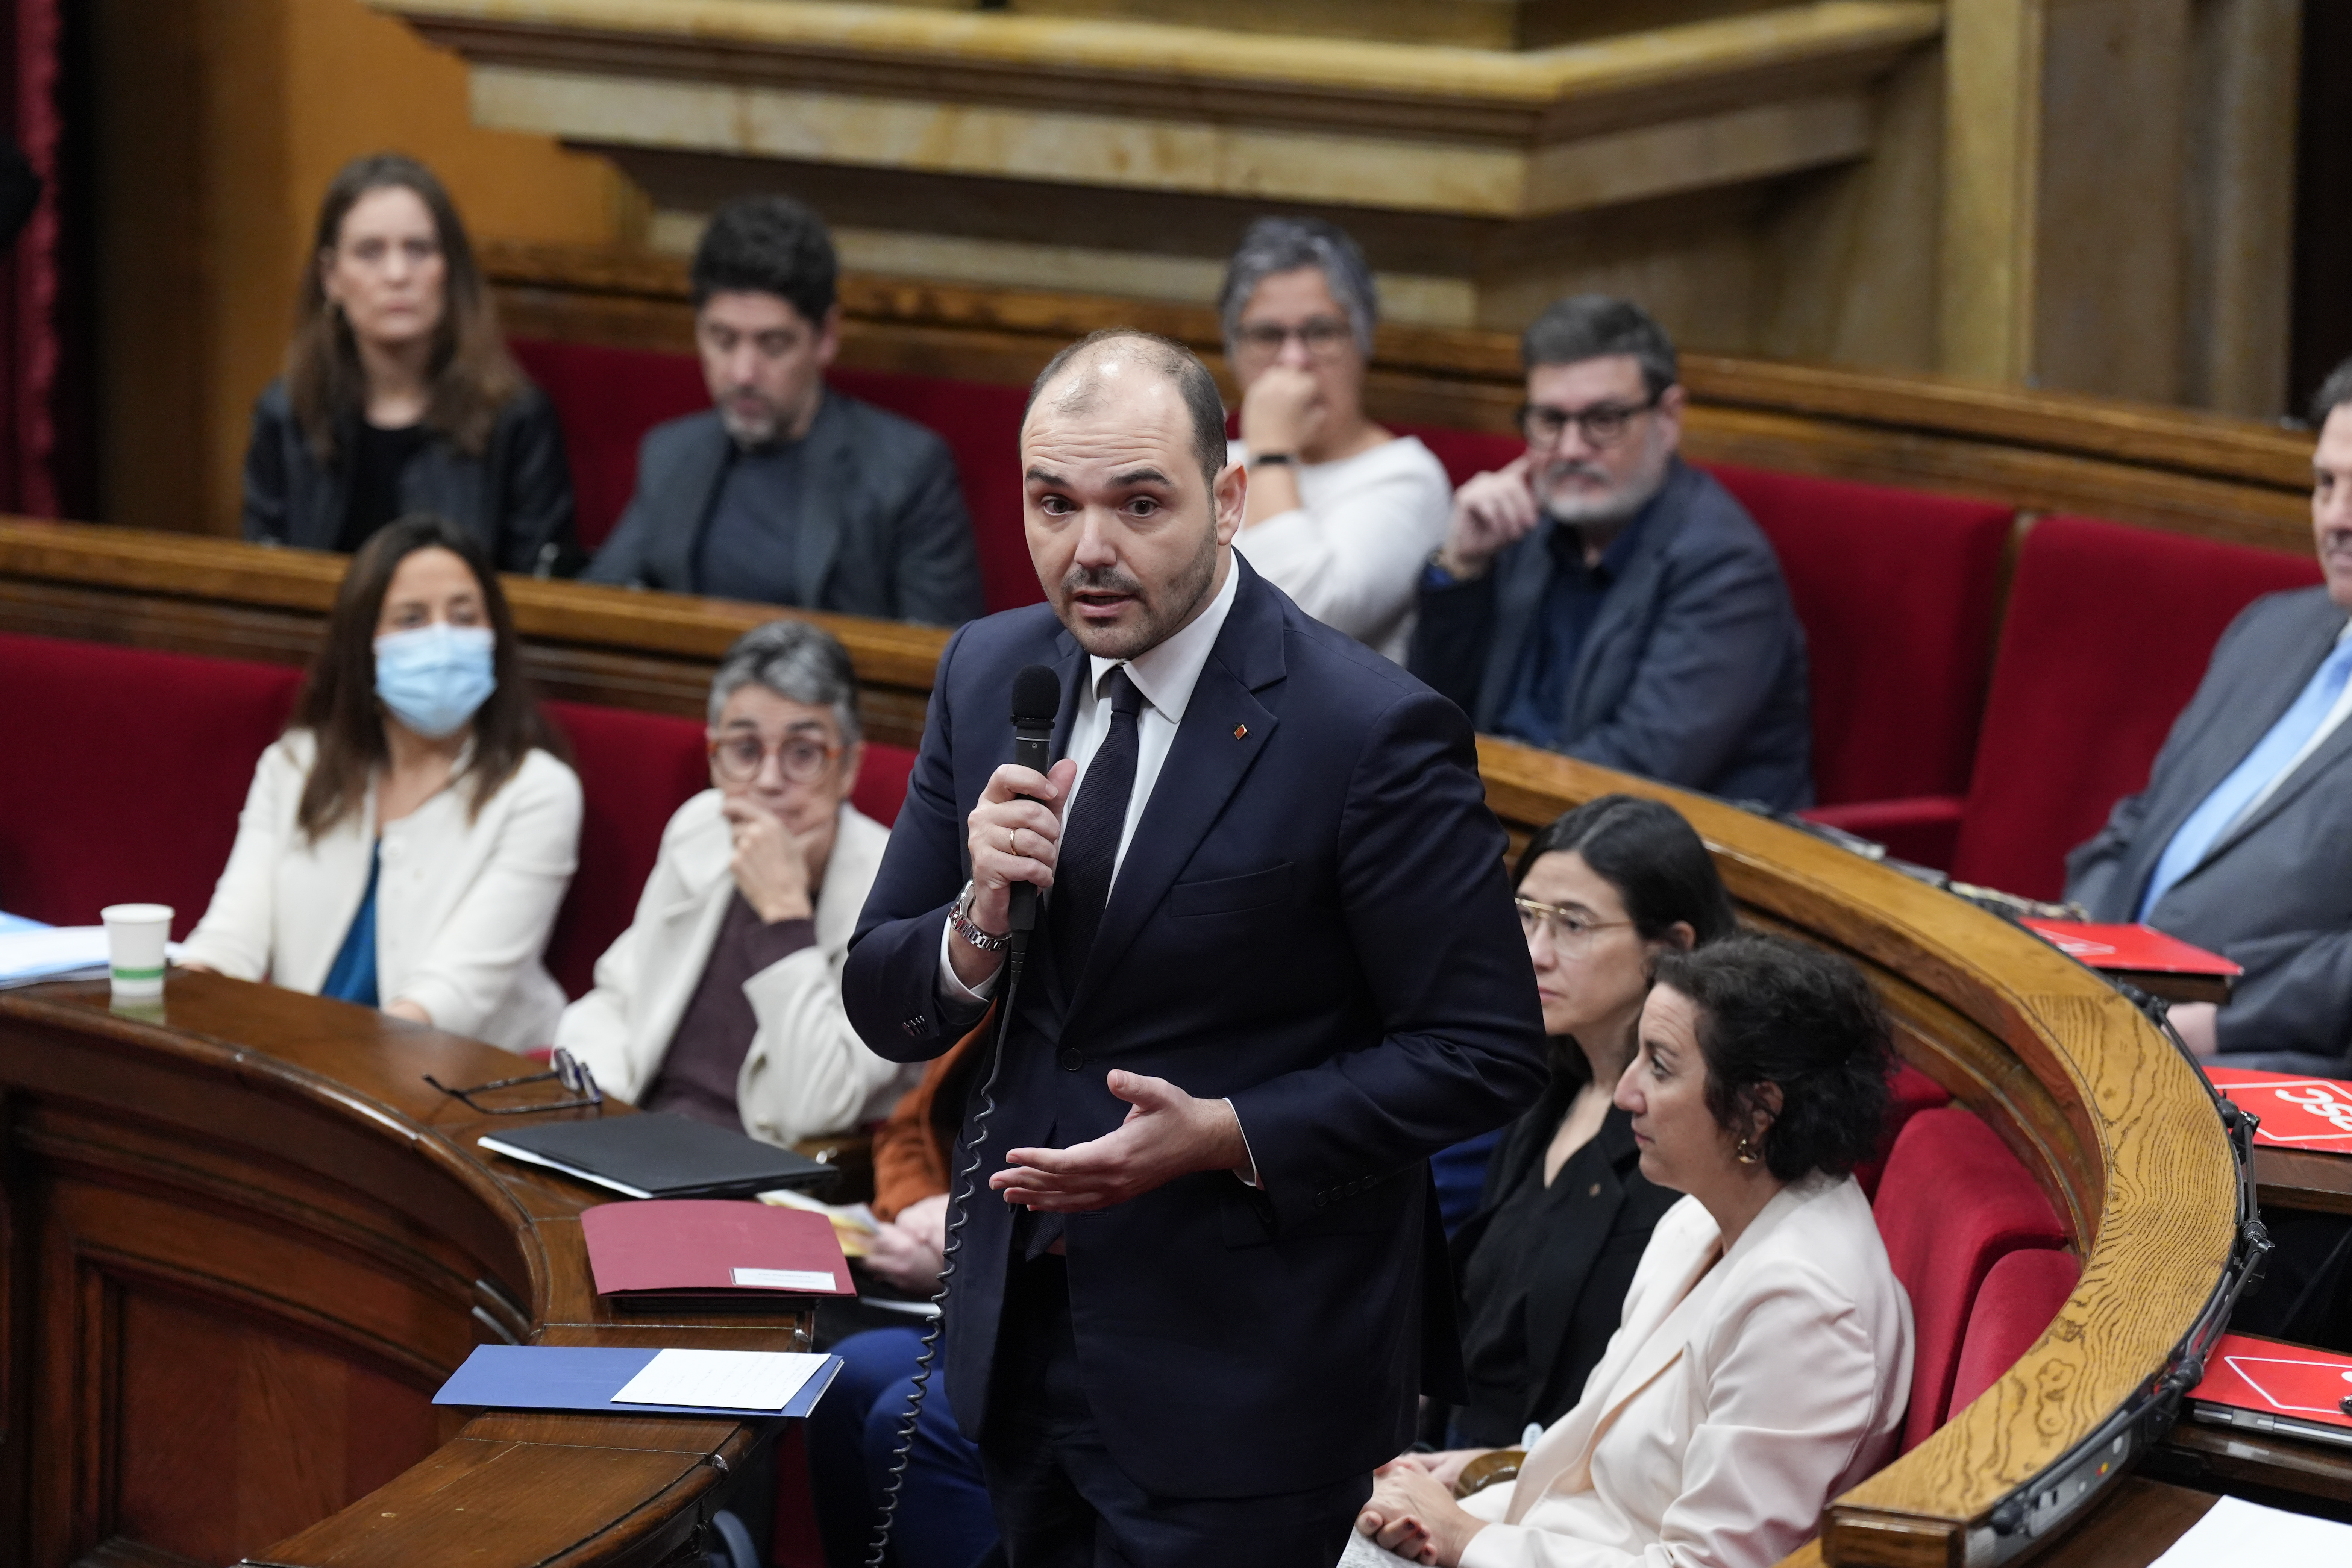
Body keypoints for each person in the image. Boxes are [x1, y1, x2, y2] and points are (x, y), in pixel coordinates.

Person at [842, 328, 1548, 1566]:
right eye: (1050, 504)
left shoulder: (1365, 730)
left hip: (1251, 1377)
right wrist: (972, 925)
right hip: (1020, 1342)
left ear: (1228, 501)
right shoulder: (989, 673)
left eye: (1138, 503)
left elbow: (1482, 1050)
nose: (1087, 549)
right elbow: (882, 1001)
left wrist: (1228, 1133)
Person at [1356, 934, 1912, 1568]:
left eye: (1661, 1065)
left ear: (1759, 1111)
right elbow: (1598, 1473)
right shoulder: (1696, 1222)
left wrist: (1464, 1537)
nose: (1625, 1094)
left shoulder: (1808, 1310)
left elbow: (1704, 1565)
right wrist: (1452, 1485)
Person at [181, 516, 582, 1050]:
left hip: (460, 1079)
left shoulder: (537, 790)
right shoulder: (297, 765)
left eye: (464, 617)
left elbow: (452, 993)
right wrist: (178, 1001)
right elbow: (232, 938)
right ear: (363, 644)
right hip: (310, 1067)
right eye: (411, 619)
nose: (442, 639)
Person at [1407, 296, 1811, 811]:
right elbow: (1427, 718)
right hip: (1502, 821)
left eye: (1603, 420)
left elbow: (1640, 770)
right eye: (1550, 420)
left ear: (1668, 418)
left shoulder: (1725, 567)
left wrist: (1461, 795)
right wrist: (1462, 567)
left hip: (1660, 861)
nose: (1571, 449)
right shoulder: (1522, 527)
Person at [2065, 356, 2352, 1074]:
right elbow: (2143, 821)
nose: (2338, 520)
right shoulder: (2271, 629)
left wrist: (2213, 1026)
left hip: (2259, 1057)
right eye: (2325, 485)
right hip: (2113, 1008)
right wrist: (2075, 941)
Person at [1436, 795, 1739, 1455]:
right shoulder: (1545, 1089)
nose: (1535, 953)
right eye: (1526, 916)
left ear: (1673, 950)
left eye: (1573, 926)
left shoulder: (1688, 1147)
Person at [554, 619, 912, 1145]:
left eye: (802, 753)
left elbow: (816, 1106)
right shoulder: (702, 828)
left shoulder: (896, 885)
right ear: (715, 759)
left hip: (761, 1178)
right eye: (745, 750)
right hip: (639, 1140)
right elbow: (615, 998)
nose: (768, 781)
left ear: (849, 769)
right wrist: (609, 1122)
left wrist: (785, 912)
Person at [586, 196, 986, 625]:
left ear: (826, 336)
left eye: (773, 344)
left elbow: (945, 660)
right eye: (722, 340)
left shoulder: (907, 470)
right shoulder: (672, 453)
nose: (743, 373)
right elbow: (594, 610)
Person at [243, 153, 579, 577]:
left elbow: (539, 588)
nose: (398, 274)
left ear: (449, 269)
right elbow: (265, 578)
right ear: (331, 277)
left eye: (419, 250)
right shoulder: (287, 415)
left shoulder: (517, 420)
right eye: (370, 253)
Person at [807, 1027, 1002, 1568]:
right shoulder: (996, 980)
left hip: (1047, 1301)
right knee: (846, 1374)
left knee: (908, 1414)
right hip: (962, 1290)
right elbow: (905, 1129)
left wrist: (967, 1245)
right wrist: (922, 1208)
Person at [1219, 217, 1452, 664]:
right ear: (1233, 351)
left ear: (1364, 343)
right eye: (1268, 336)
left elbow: (1294, 622)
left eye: (1321, 333)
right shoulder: (1215, 461)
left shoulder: (1407, 477)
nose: (1294, 361)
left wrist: (1271, 450)